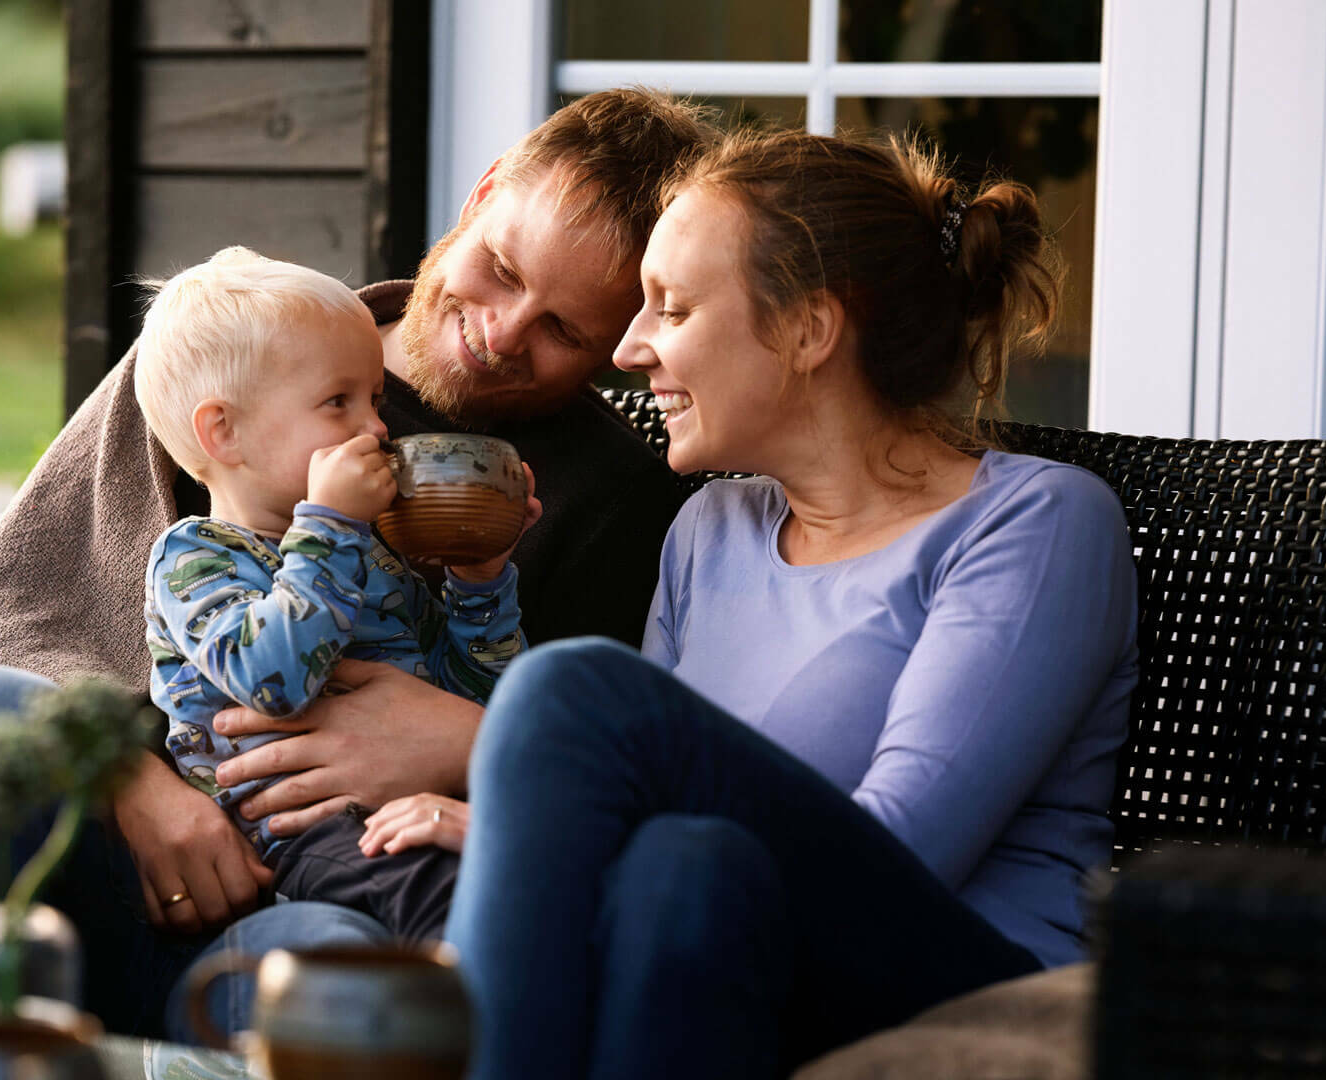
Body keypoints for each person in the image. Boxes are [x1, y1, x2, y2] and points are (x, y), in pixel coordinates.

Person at [0, 88, 717, 1038]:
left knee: (341, 968)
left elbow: (576, 777)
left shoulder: (610, 502)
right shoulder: (222, 358)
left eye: (564, 331)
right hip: (73, 874)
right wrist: (133, 780)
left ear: (621, 345)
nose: (501, 332)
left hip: (295, 913)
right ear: (481, 194)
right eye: (499, 269)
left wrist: (461, 731)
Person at [432, 128, 1142, 1079]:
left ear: (810, 329)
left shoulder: (1035, 523)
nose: (632, 348)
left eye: (673, 309)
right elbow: (666, 840)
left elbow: (904, 857)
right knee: (680, 872)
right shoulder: (707, 531)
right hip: (747, 955)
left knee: (570, 695)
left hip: (967, 978)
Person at [135, 246, 534, 942]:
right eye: (337, 402)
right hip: (289, 839)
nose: (378, 430)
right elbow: (274, 681)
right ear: (223, 432)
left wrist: (480, 579)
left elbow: (468, 699)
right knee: (447, 899)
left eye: (374, 400)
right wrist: (329, 524)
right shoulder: (195, 559)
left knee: (528, 879)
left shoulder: (369, 554)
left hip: (410, 809)